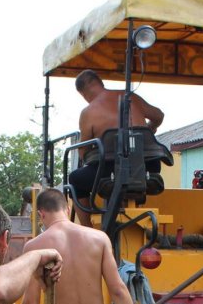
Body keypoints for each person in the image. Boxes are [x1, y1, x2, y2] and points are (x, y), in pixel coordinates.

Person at [68, 69, 164, 225]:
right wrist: (150, 128)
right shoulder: (130, 97)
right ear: (100, 83)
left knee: (74, 179)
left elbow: (83, 153)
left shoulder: (88, 112)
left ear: (82, 93)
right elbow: (159, 115)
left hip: (110, 170)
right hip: (149, 167)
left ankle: (88, 229)